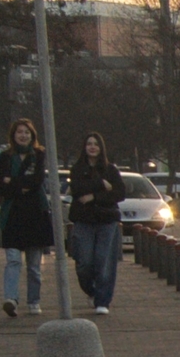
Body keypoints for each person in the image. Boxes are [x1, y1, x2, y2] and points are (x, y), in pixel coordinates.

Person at [0, 119, 52, 317]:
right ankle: (11, 299)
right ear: (13, 136)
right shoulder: (6, 157)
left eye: (27, 132)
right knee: (13, 259)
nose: (23, 135)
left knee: (33, 265)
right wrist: (19, 186)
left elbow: (37, 181)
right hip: (13, 214)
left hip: (35, 214)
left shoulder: (38, 155)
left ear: (32, 135)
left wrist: (12, 182)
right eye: (19, 132)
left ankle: (34, 300)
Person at [65, 132, 125, 314]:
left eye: (96, 144)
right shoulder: (77, 169)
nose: (92, 147)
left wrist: (93, 196)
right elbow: (76, 189)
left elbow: (119, 193)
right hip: (84, 221)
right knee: (84, 262)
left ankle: (102, 301)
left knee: (103, 261)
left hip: (106, 220)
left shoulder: (111, 170)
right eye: (89, 143)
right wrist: (101, 184)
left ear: (101, 148)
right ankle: (91, 290)